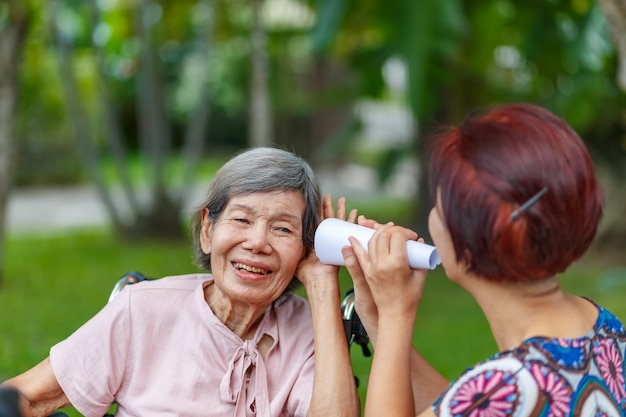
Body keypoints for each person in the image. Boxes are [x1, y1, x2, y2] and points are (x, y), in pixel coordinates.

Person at [2, 147, 361, 417]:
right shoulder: (143, 311)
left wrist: (323, 282)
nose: (257, 242)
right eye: (241, 220)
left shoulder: (312, 334)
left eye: (283, 228)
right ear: (208, 230)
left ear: (306, 247)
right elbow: (26, 396)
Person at [341, 103, 626, 416]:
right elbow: (454, 405)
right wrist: (379, 319)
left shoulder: (506, 387)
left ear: (470, 235)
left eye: (439, 203)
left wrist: (397, 312)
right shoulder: (604, 329)